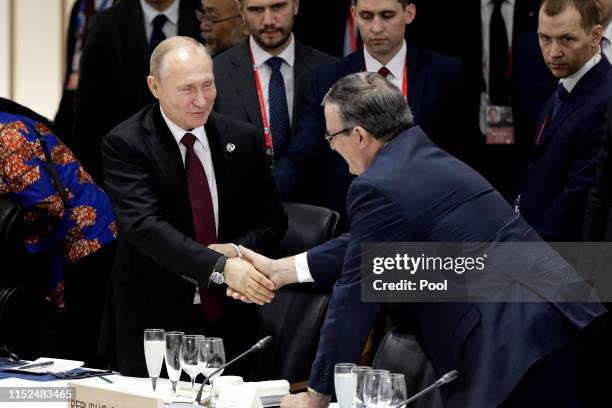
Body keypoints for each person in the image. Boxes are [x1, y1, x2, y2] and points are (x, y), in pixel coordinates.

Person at [230, 72, 607, 407]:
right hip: (560, 318)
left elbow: (356, 294)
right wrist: (283, 270)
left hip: (516, 346)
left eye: (331, 136)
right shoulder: (422, 156)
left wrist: (317, 394)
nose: (330, 146)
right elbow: (364, 249)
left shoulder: (376, 186)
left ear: (359, 135)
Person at [98, 36, 287, 377]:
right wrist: (220, 266)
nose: (201, 101)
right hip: (155, 321)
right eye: (187, 89)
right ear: (154, 87)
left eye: (208, 85)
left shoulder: (242, 138)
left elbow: (273, 220)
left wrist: (232, 251)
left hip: (232, 318)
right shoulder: (126, 144)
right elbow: (146, 228)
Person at [272, 0, 473, 228]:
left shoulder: (445, 74)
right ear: (354, 14)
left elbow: (461, 154)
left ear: (409, 13)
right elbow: (302, 156)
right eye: (367, 16)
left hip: (427, 217)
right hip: (353, 219)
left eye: (387, 15)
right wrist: (260, 198)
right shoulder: (327, 77)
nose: (376, 28)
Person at [0, 97, 116, 368]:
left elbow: (47, 206)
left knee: (77, 353)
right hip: (54, 239)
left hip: (87, 239)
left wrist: (12, 247)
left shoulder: (6, 133)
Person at [73, 0, 202, 185]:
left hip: (193, 160)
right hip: (126, 168)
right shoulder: (106, 23)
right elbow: (88, 112)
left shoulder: (205, 16)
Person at [518, 0, 612, 241]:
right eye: (545, 38)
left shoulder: (605, 100)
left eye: (567, 39)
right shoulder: (566, 82)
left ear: (595, 36)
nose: (553, 52)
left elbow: (577, 197)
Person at [212, 0, 337, 163]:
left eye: (277, 7)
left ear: (296, 5)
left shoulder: (332, 72)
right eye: (256, 10)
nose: (269, 21)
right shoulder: (215, 74)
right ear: (241, 10)